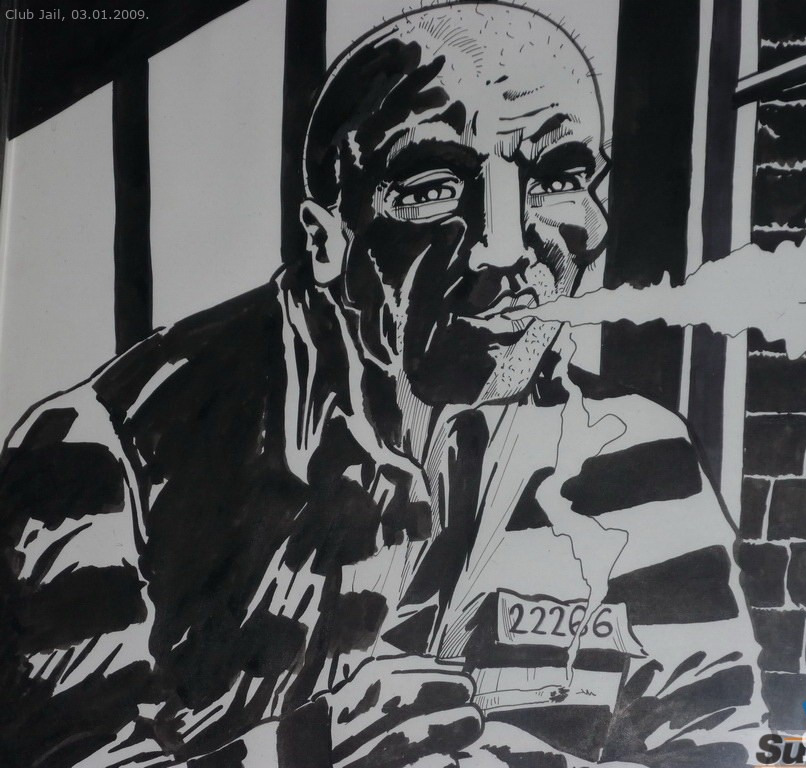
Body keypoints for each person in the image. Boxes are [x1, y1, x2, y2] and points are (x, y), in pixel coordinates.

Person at [0, 3, 765, 766]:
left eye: (558, 177)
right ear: (325, 240)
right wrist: (307, 752)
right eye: (432, 187)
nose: (504, 249)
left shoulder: (637, 456)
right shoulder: (108, 452)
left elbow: (718, 747)